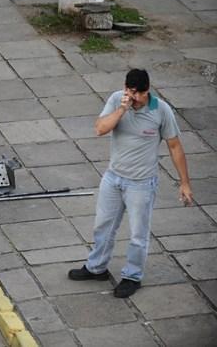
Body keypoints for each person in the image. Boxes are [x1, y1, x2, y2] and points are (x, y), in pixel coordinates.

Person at [68, 69, 193, 298]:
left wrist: (184, 183)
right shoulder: (117, 100)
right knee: (103, 226)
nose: (133, 96)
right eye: (129, 91)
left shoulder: (161, 110)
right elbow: (100, 129)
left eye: (138, 93)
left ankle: (132, 276)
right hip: (113, 177)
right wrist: (123, 108)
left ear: (147, 91)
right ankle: (96, 268)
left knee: (138, 234)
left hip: (141, 183)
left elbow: (175, 146)